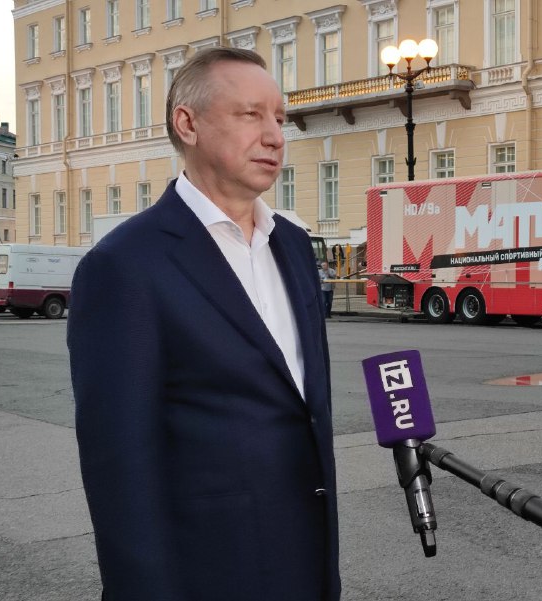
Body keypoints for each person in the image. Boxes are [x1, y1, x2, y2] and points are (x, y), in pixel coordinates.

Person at [67, 47, 340, 601]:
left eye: (280, 118)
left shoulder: (293, 244)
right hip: (206, 574)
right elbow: (119, 465)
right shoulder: (125, 265)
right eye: (251, 115)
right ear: (187, 124)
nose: (275, 136)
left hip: (305, 564)